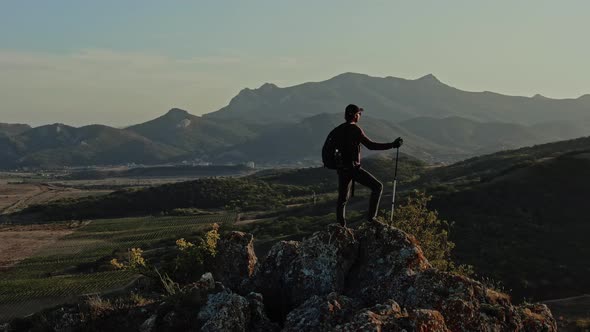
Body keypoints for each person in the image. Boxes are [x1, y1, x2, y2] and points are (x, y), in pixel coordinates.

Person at [336, 104, 403, 227]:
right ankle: (371, 220)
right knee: (377, 187)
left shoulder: (339, 129)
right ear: (355, 116)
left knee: (342, 199)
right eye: (359, 114)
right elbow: (371, 145)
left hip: (341, 169)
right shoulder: (355, 130)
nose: (360, 116)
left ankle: (341, 226)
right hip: (353, 169)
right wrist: (392, 145)